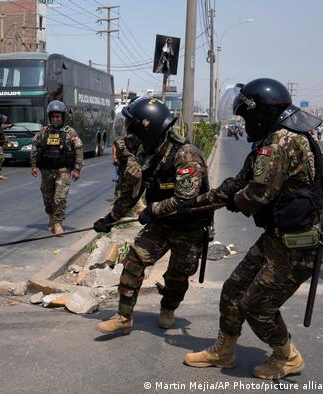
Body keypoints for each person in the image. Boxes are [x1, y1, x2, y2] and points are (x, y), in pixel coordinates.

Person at [181, 78, 323, 380]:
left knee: (257, 305)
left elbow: (257, 194)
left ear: (261, 112)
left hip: (297, 246)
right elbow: (237, 185)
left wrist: (235, 201)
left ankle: (287, 356)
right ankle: (224, 351)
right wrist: (195, 203)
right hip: (278, 239)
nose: (246, 122)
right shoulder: (272, 139)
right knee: (233, 289)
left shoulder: (281, 142)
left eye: (247, 116)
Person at [92, 98, 212, 334]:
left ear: (149, 127)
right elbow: (130, 193)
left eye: (133, 128)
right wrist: (110, 219)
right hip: (161, 224)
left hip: (189, 227)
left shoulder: (185, 156)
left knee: (177, 277)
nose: (129, 133)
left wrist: (152, 210)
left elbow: (184, 199)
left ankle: (168, 308)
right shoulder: (146, 154)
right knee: (134, 260)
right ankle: (124, 316)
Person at [30, 100, 84, 234]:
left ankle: (58, 223)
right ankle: (51, 218)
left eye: (58, 116)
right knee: (47, 198)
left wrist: (77, 169)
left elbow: (79, 150)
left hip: (63, 171)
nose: (55, 119)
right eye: (53, 116)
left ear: (63, 117)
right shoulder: (43, 132)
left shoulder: (70, 132)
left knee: (60, 198)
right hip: (46, 170)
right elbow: (34, 146)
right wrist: (34, 165)